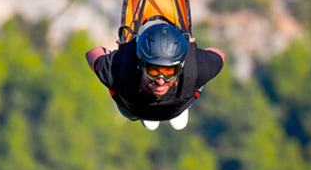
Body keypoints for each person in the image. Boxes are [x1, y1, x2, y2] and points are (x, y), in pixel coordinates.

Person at [86, 18, 225, 130]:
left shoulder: (196, 70)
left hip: (174, 106)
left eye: (169, 72)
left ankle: (173, 111)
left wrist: (116, 54)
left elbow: (93, 54)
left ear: (180, 68)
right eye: (154, 71)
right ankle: (157, 114)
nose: (161, 81)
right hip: (134, 109)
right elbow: (218, 54)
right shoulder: (119, 72)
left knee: (192, 80)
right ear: (140, 65)